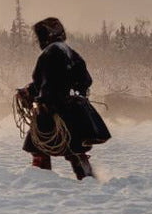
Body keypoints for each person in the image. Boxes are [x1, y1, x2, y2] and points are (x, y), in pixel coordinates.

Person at [17, 17, 111, 180]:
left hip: (54, 109)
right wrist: (29, 90)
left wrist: (45, 102)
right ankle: (88, 179)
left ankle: (42, 181)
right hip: (76, 110)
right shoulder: (70, 52)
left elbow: (48, 83)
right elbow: (84, 80)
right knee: (76, 149)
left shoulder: (50, 53)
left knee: (38, 146)